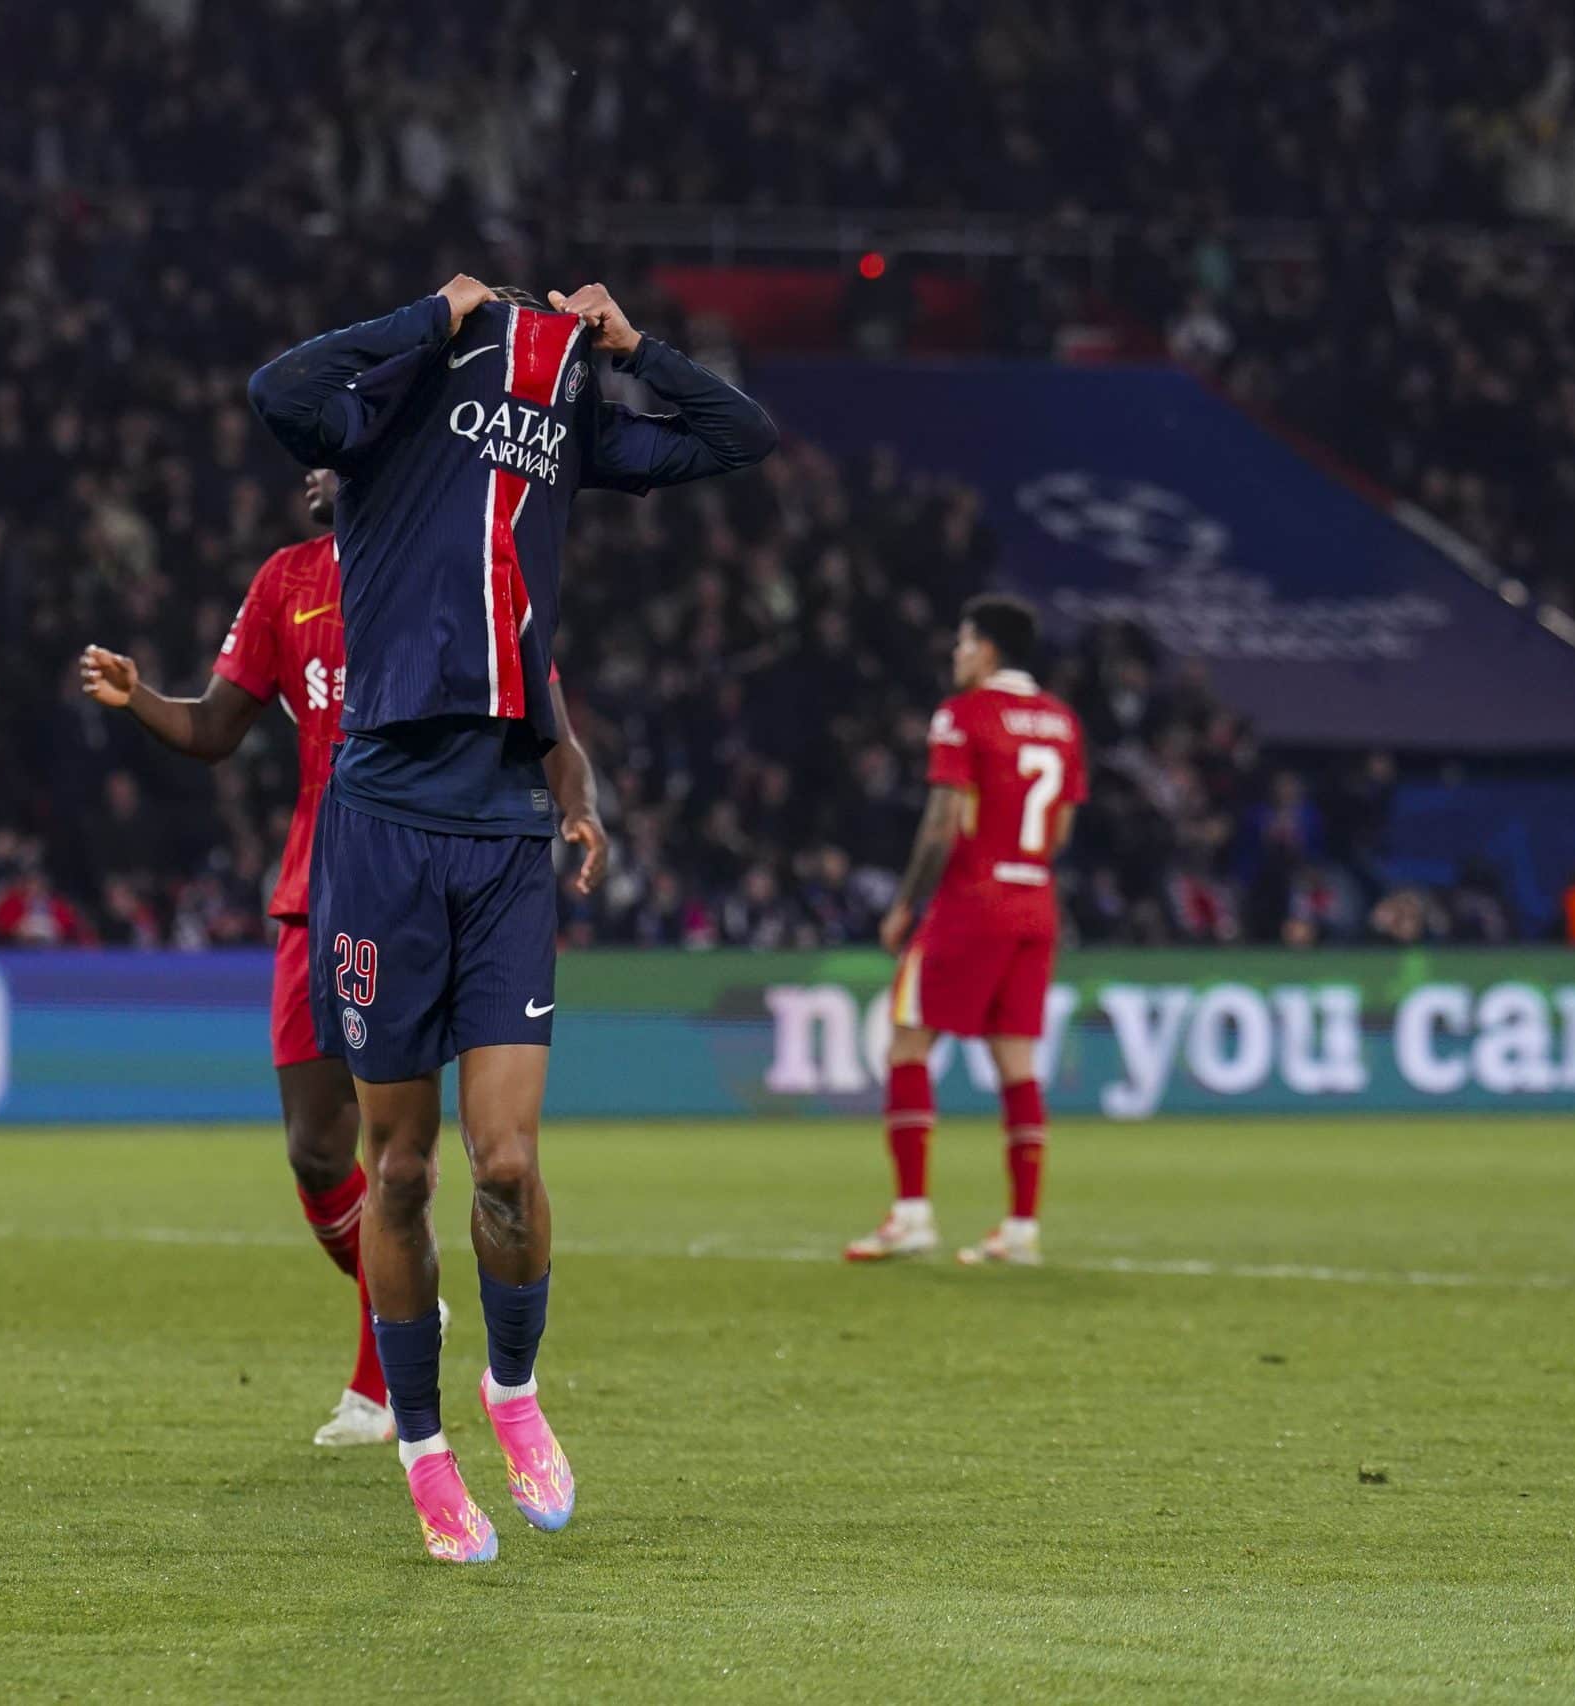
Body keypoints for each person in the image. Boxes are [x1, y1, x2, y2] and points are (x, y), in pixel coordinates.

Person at [250, 275, 775, 1561]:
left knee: (504, 1161)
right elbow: (278, 394)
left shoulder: (563, 422)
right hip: (375, 822)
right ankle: (426, 1451)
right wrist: (427, 317)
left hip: (500, 822)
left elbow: (738, 437)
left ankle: (515, 1391)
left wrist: (633, 344)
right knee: (402, 1165)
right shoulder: (390, 407)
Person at [80, 469, 608, 1448]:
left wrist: (574, 805)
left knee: (412, 1158)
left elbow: (550, 724)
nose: (315, 471)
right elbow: (213, 725)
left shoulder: (462, 571)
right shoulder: (287, 581)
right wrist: (138, 696)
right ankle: (414, 1309)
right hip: (320, 889)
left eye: (339, 452)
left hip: (453, 877)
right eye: (311, 456)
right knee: (315, 1149)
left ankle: (383, 1385)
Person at [846, 594, 1087, 1270]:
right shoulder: (1063, 723)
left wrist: (903, 905)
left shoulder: (963, 715)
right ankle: (1020, 1228)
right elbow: (1062, 830)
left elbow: (942, 823)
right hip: (1037, 901)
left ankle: (913, 1213)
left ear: (985, 649)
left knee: (907, 1037)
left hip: (971, 899)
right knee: (1016, 1062)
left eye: (961, 643)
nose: (956, 655)